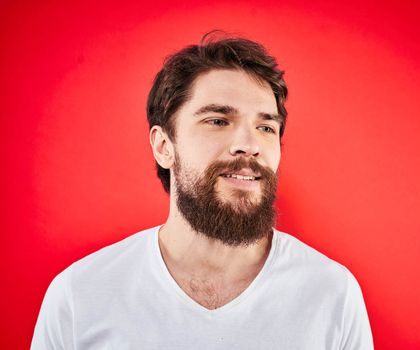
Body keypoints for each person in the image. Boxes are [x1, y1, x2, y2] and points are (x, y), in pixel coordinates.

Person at [31, 33, 374, 349]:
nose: (249, 145)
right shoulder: (80, 296)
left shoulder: (332, 294)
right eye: (218, 121)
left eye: (266, 127)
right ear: (164, 146)